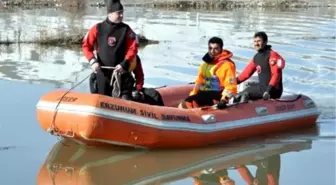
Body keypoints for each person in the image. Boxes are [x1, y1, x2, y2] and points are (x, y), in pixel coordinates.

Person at [83, 0, 137, 100]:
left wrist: (124, 64)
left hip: (121, 74)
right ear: (110, 14)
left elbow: (133, 49)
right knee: (101, 100)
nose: (121, 15)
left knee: (125, 101)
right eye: (119, 13)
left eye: (122, 13)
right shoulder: (97, 28)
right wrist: (93, 61)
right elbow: (86, 46)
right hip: (102, 74)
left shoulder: (126, 30)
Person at [178, 36, 237, 109]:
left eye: (216, 49)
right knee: (187, 101)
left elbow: (230, 86)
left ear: (221, 49)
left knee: (187, 104)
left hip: (218, 95)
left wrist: (224, 100)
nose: (212, 51)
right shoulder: (205, 64)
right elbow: (199, 81)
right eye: (210, 48)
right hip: (204, 93)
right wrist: (193, 94)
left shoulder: (227, 65)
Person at [236, 31, 285, 102]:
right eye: (255, 41)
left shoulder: (272, 55)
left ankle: (241, 112)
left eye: (259, 41)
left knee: (245, 93)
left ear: (265, 42)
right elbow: (246, 73)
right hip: (262, 88)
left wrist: (268, 91)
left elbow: (276, 75)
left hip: (272, 90)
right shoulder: (256, 57)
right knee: (241, 93)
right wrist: (234, 82)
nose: (256, 43)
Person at [131, 36, 165, 106]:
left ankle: (162, 115)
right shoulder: (117, 57)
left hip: (130, 87)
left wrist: (138, 89)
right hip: (120, 89)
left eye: (136, 45)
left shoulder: (135, 59)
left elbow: (139, 76)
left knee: (154, 94)